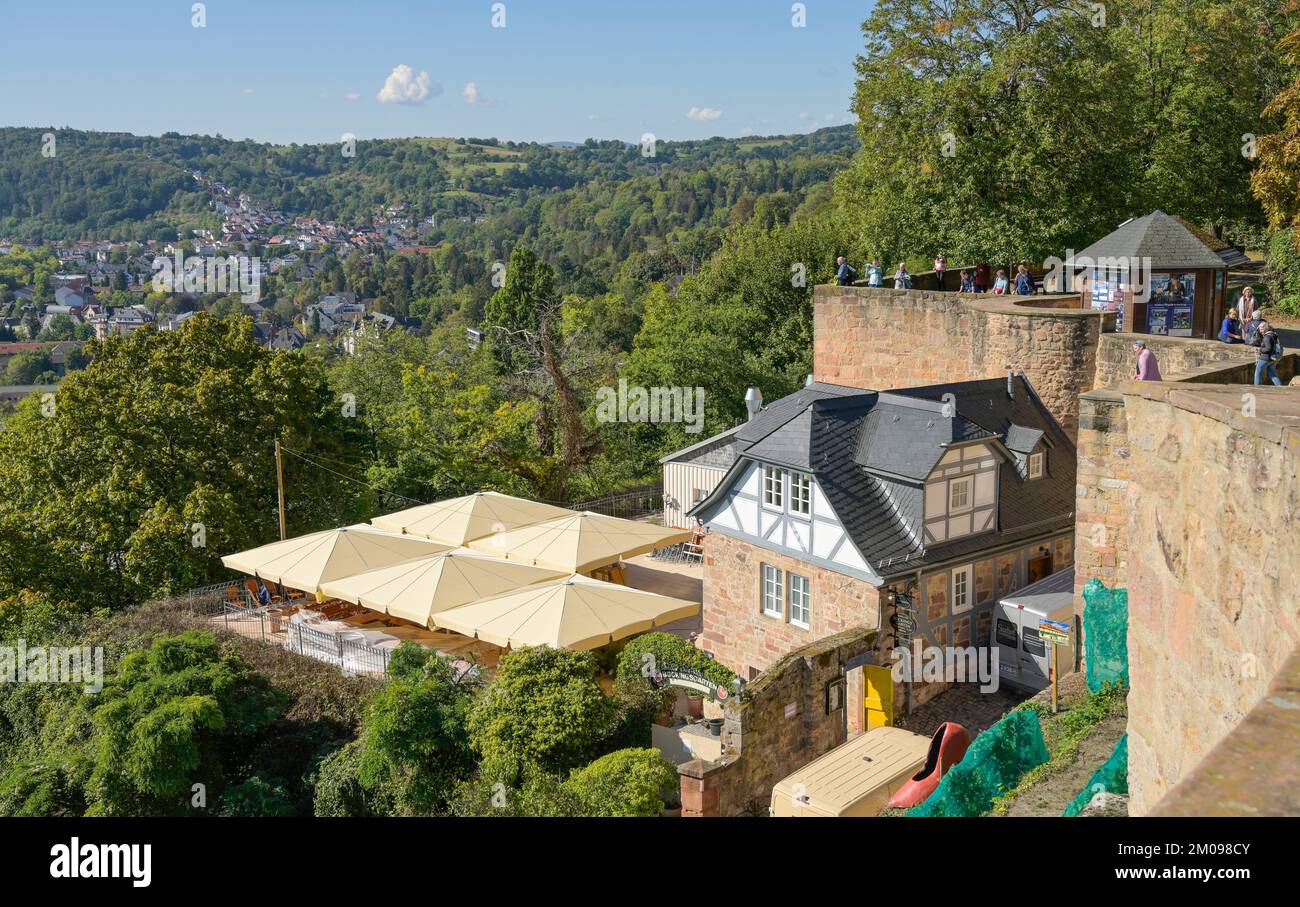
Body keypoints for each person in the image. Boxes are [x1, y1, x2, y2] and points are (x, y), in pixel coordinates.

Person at [1254, 321, 1283, 386]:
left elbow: (1268, 348)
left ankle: (1256, 387)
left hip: (1265, 358)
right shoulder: (1274, 335)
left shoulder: (1267, 337)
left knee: (1258, 372)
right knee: (1272, 373)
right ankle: (1280, 387)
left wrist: (1260, 350)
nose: (1260, 331)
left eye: (1262, 329)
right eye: (1260, 329)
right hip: (1273, 358)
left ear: (1266, 328)